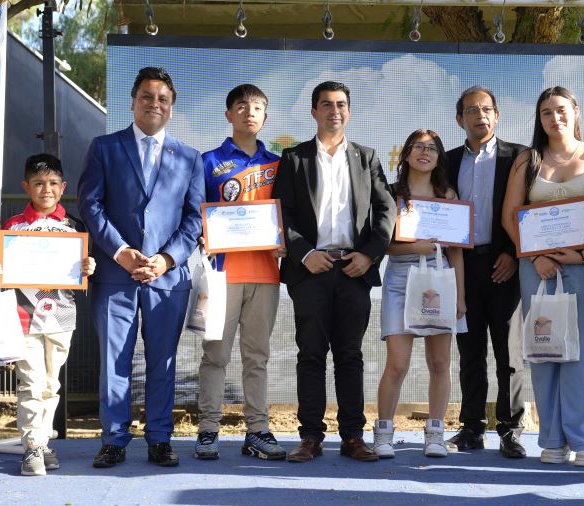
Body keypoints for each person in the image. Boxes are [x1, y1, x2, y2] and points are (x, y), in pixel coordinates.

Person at [78, 67, 204, 468]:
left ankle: (160, 438)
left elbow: (194, 219)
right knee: (114, 361)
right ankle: (114, 439)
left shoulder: (190, 158)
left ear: (171, 107)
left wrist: (166, 259)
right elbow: (90, 205)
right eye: (147, 96)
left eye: (163, 99)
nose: (155, 104)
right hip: (115, 275)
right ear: (133, 102)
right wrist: (120, 251)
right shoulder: (104, 147)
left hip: (167, 278)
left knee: (162, 362)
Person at [272, 81, 395, 463]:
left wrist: (369, 256)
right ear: (314, 111)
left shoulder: (366, 157)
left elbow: (386, 210)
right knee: (310, 354)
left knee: (350, 355)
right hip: (310, 269)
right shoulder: (294, 158)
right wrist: (304, 253)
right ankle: (310, 437)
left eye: (341, 104)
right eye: (326, 104)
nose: (334, 111)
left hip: (353, 270)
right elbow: (282, 213)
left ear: (349, 111)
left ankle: (353, 437)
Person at [502, 86, 584, 467]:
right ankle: (552, 439)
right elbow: (510, 217)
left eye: (561, 110)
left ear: (576, 111)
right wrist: (536, 257)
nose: (555, 118)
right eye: (546, 112)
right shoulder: (527, 160)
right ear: (539, 119)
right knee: (544, 349)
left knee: (582, 353)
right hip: (536, 268)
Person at [0, 154, 96, 476]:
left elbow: (82, 270)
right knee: (30, 382)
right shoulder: (12, 226)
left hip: (62, 316)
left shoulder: (75, 226)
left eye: (52, 183)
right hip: (23, 316)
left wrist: (89, 267)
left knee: (50, 384)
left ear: (63, 187)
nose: (46, 190)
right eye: (38, 183)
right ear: (26, 186)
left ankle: (43, 442)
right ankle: (32, 447)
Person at [195, 84, 287, 461]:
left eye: (258, 107)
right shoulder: (208, 161)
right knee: (215, 355)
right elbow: (194, 211)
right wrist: (202, 234)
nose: (250, 113)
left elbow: (288, 216)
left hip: (265, 274)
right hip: (221, 274)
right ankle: (207, 430)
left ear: (266, 116)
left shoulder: (278, 164)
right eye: (242, 106)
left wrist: (286, 241)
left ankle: (257, 430)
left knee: (257, 357)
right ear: (228, 114)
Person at [442, 86, 527, 458]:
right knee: (470, 352)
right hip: (462, 266)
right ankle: (472, 428)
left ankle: (511, 430)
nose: (480, 115)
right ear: (459, 119)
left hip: (504, 264)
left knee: (510, 355)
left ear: (497, 115)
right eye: (472, 110)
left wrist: (513, 254)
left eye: (487, 109)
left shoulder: (519, 157)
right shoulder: (446, 162)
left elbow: (527, 209)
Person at [372, 129, 467, 459]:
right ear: (406, 154)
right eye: (418, 147)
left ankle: (435, 434)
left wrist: (460, 296)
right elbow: (382, 245)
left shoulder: (448, 195)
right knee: (397, 364)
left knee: (440, 363)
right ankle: (383, 433)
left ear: (439, 158)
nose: (425, 153)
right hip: (400, 279)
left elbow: (456, 251)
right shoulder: (391, 193)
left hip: (440, 279)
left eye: (432, 148)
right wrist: (415, 247)